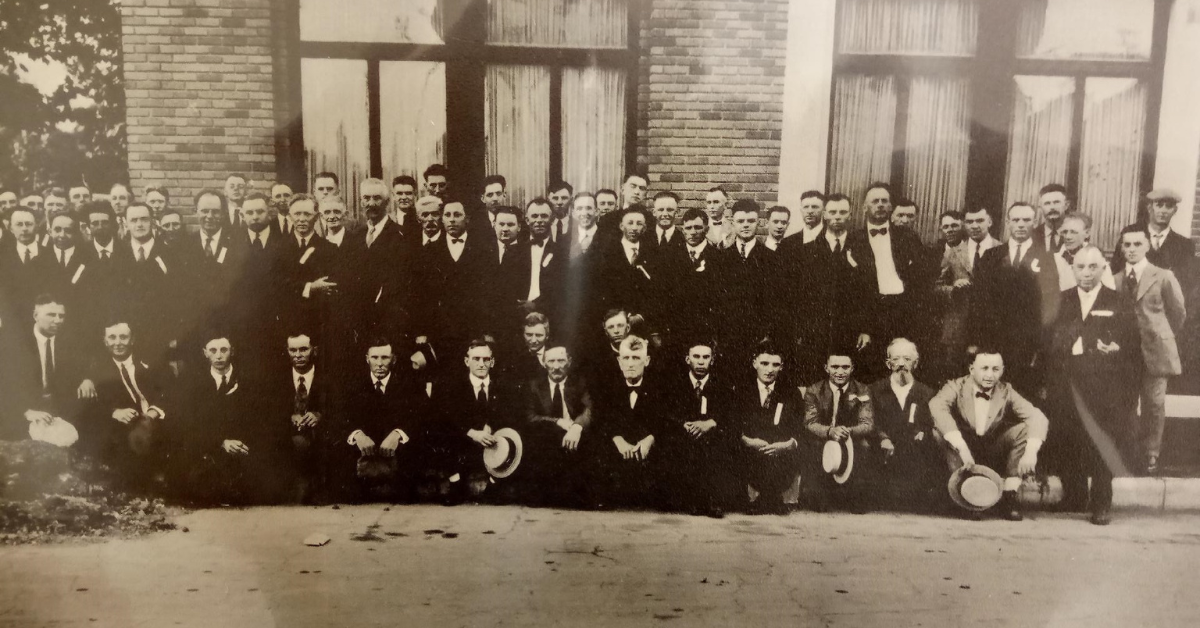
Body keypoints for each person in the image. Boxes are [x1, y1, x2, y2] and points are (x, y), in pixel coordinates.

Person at [1048, 246, 1139, 524]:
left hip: (1104, 387)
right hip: (1067, 383)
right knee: (1068, 439)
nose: (1086, 273)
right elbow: (1048, 341)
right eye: (1080, 267)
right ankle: (1074, 496)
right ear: (1072, 269)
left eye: (1092, 267)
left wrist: (1117, 349)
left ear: (1103, 269)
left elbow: (1133, 346)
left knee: (1101, 444)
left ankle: (1101, 503)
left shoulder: (1119, 301)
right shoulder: (1061, 300)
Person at [930, 349, 1048, 521]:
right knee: (939, 431)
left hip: (991, 449)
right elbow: (937, 406)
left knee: (1025, 429)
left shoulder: (1005, 390)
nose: (990, 375)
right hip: (962, 451)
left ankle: (1008, 496)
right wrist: (961, 447)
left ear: (1002, 370)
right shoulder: (956, 386)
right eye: (984, 368)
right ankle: (964, 495)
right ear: (972, 369)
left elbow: (1037, 416)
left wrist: (1031, 451)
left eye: (995, 369)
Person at [176, 334, 289, 505]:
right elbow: (191, 426)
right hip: (211, 449)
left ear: (232, 351)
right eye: (213, 351)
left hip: (245, 448)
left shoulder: (249, 380)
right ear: (205, 353)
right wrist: (221, 442)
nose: (218, 356)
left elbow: (262, 420)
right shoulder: (195, 385)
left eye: (224, 350)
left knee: (267, 488)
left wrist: (244, 443)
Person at [1112, 226, 1186, 475]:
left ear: (1147, 246)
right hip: (1126, 353)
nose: (1132, 249)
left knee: (1154, 403)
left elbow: (1178, 313)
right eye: (1127, 245)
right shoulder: (1115, 279)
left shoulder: (1163, 276)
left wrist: (1161, 335)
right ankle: (1130, 452)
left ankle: (1151, 453)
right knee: (1126, 402)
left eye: (1137, 244)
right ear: (1122, 249)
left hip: (1156, 351)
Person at [970, 202, 1060, 397]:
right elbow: (978, 302)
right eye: (1016, 220)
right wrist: (976, 340)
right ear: (1008, 222)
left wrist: (1040, 347)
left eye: (1026, 220)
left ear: (1034, 222)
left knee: (1021, 397)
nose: (1021, 224)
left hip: (1027, 344)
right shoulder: (990, 256)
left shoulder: (1046, 258)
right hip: (993, 341)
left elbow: (1050, 306)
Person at [845, 183, 932, 381]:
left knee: (902, 367)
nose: (880, 205)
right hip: (872, 312)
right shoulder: (854, 240)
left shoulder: (908, 237)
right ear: (864, 207)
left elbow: (921, 280)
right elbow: (853, 290)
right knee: (872, 369)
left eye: (884, 201)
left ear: (891, 207)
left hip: (903, 310)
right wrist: (863, 327)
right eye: (875, 201)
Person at [333, 336, 423, 503]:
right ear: (367, 359)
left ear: (394, 359)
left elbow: (419, 417)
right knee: (349, 494)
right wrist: (357, 435)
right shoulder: (351, 384)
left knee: (405, 494)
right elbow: (339, 416)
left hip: (396, 453)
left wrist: (398, 434)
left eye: (385, 357)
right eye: (374, 358)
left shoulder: (409, 384)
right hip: (362, 453)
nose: (380, 363)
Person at [84, 320, 170, 491]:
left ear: (132, 340)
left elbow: (169, 390)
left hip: (159, 417)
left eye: (123, 337)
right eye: (112, 337)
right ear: (105, 341)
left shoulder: (150, 362)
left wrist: (152, 414)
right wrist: (114, 412)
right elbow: (92, 405)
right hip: (129, 425)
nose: (117, 343)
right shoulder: (99, 371)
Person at [430, 339, 518, 504]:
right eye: (476, 359)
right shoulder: (453, 387)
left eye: (486, 359)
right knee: (440, 432)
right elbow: (447, 417)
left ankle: (494, 483)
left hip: (492, 440)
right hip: (464, 440)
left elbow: (509, 414)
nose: (481, 364)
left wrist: (492, 426)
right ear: (466, 361)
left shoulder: (502, 386)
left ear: (492, 362)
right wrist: (472, 433)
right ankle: (456, 484)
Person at [792, 194, 869, 384]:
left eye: (842, 212)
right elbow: (800, 295)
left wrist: (865, 329)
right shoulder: (808, 250)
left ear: (850, 215)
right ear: (825, 214)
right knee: (815, 381)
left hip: (849, 331)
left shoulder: (863, 249)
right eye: (832, 212)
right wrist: (801, 330)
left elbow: (868, 292)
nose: (837, 217)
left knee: (846, 382)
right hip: (815, 331)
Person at [662, 340, 740, 517]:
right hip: (684, 436)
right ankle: (690, 499)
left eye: (706, 357)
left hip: (712, 438)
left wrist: (711, 423)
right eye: (696, 356)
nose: (700, 361)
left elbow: (731, 415)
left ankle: (713, 500)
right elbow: (666, 412)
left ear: (712, 360)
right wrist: (683, 423)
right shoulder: (675, 384)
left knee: (719, 447)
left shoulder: (723, 386)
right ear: (687, 359)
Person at [0, 294, 92, 441]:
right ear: (35, 316)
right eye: (51, 315)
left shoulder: (69, 340)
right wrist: (26, 412)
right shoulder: (14, 343)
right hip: (23, 409)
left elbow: (84, 363)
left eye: (61, 316)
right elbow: (4, 386)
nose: (58, 320)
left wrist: (87, 379)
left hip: (60, 407)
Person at [594, 335, 669, 509]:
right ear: (619, 362)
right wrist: (617, 439)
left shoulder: (660, 388)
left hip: (647, 449)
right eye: (626, 358)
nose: (630, 364)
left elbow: (665, 420)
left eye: (636, 358)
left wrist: (649, 439)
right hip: (618, 448)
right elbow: (602, 419)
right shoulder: (607, 387)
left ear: (647, 361)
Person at [867, 338, 941, 511]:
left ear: (915, 363)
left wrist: (923, 431)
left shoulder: (927, 393)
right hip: (883, 447)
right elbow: (870, 420)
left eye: (907, 359)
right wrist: (882, 438)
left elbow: (931, 422)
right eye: (896, 359)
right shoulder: (874, 390)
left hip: (914, 450)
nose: (901, 364)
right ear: (888, 363)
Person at [521, 343, 594, 507]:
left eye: (561, 361)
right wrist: (557, 421)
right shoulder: (534, 386)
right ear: (544, 363)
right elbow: (530, 417)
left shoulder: (580, 383)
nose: (556, 367)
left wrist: (577, 426)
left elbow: (589, 409)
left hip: (575, 439)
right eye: (551, 361)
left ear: (569, 362)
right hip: (546, 442)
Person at [802, 351, 874, 513]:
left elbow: (867, 423)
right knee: (811, 445)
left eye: (845, 367)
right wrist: (830, 431)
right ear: (826, 368)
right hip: (823, 437)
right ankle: (819, 494)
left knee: (864, 446)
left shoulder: (863, 390)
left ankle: (856, 496)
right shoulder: (814, 390)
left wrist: (847, 431)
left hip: (850, 438)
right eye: (835, 367)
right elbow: (810, 422)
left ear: (852, 368)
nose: (840, 372)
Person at [497, 198, 567, 324]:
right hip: (517, 318)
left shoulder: (562, 252)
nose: (539, 220)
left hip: (550, 318)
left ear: (552, 219)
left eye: (544, 216)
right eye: (534, 216)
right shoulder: (512, 252)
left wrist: (536, 305)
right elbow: (503, 290)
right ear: (527, 220)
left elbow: (561, 289)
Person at [1052, 213, 1114, 290]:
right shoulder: (1054, 258)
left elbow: (1109, 290)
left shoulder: (1097, 257)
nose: (1068, 237)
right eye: (1065, 232)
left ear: (1087, 233)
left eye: (1073, 232)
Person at [1033, 183, 1071, 254]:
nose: (1052, 207)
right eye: (1047, 203)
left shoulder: (1076, 234)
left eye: (1056, 202)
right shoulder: (1032, 236)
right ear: (1040, 208)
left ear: (1066, 205)